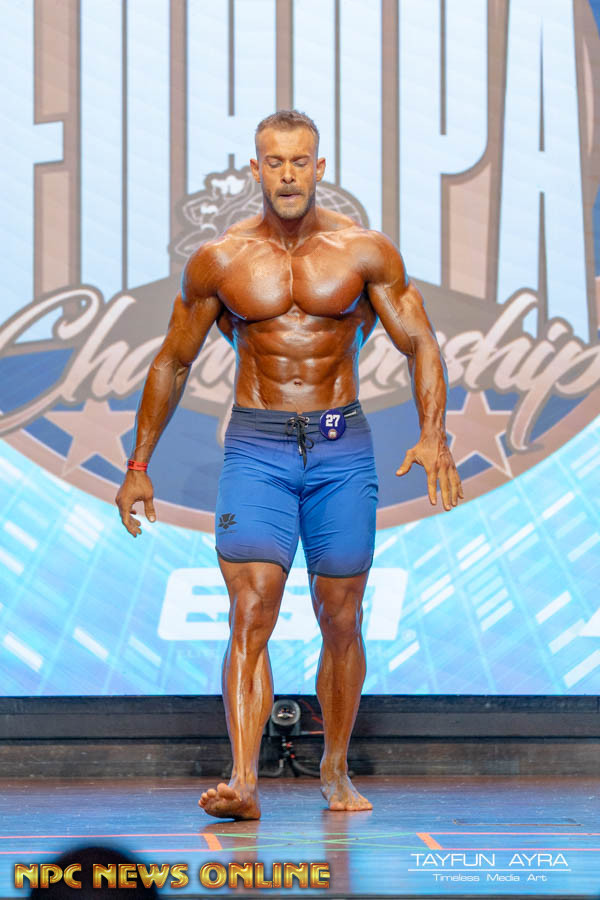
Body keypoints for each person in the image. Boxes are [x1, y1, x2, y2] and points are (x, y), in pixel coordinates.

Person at [115, 109, 463, 820]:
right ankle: (244, 781)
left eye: (299, 161)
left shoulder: (364, 252)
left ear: (319, 167)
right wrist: (138, 462)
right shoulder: (221, 260)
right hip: (258, 446)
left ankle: (334, 767)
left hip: (341, 448)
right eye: (274, 162)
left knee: (342, 617)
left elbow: (421, 342)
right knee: (250, 611)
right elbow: (173, 361)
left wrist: (435, 436)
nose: (287, 174)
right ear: (256, 169)